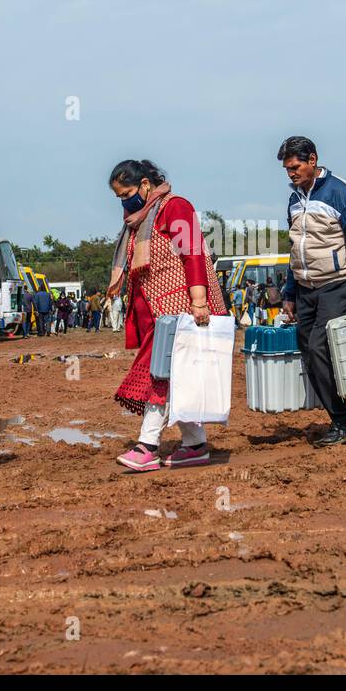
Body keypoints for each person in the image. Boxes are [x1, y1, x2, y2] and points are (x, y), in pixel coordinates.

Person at [107, 159, 227, 472]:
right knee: (176, 378)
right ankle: (195, 444)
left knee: (158, 375)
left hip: (182, 310)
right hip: (157, 314)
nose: (124, 201)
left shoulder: (176, 207)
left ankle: (147, 446)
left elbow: (194, 252)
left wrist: (199, 301)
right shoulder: (137, 220)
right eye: (119, 197)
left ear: (145, 184)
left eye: (127, 193)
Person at [277, 136, 346, 448]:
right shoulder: (295, 199)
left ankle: (343, 421)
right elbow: (297, 250)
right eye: (287, 169)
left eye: (295, 167)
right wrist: (289, 293)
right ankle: (341, 419)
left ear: (312, 160)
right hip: (306, 287)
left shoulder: (339, 192)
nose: (291, 173)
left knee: (320, 346)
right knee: (308, 349)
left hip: (338, 283)